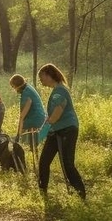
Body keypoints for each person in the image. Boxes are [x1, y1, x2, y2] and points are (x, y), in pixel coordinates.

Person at [36, 63, 86, 199]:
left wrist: (41, 133)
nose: (41, 81)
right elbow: (52, 117)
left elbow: (56, 114)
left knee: (68, 164)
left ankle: (81, 195)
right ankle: (42, 193)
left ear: (48, 75)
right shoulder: (56, 91)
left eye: (41, 78)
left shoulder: (60, 92)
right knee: (44, 161)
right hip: (56, 131)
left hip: (67, 130)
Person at [9, 74, 46, 151]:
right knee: (30, 138)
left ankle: (18, 147)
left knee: (23, 134)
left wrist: (18, 134)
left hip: (36, 118)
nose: (13, 89)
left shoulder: (26, 94)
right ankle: (31, 149)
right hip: (39, 116)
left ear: (17, 86)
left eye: (13, 87)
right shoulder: (28, 88)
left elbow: (22, 116)